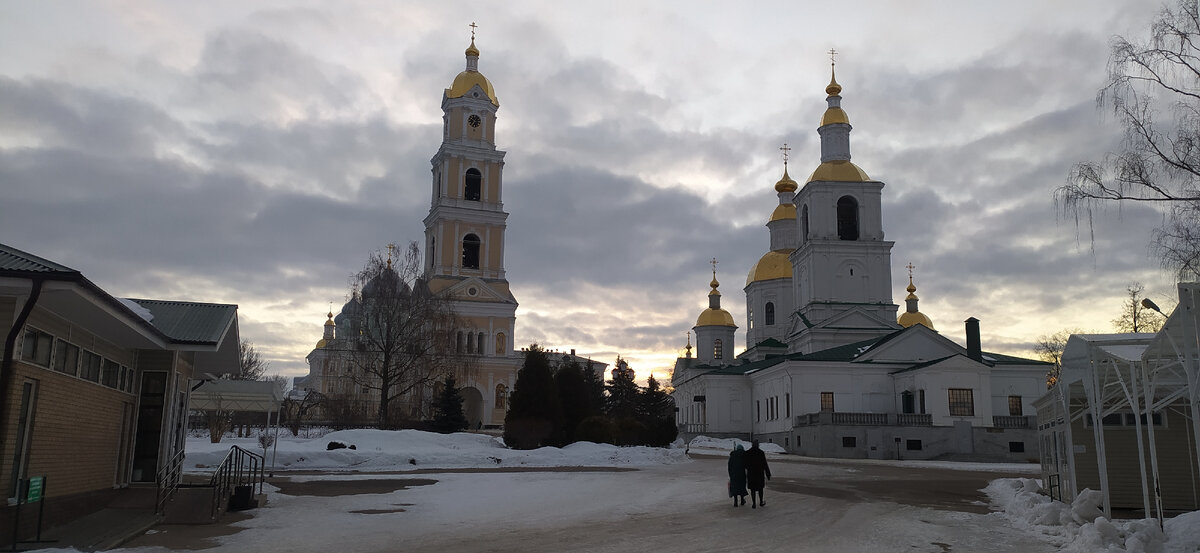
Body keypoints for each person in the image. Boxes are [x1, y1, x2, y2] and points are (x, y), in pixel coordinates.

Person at [744, 439, 771, 508]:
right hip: (759, 474)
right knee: (760, 489)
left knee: (753, 489)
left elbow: (745, 464)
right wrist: (768, 474)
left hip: (751, 474)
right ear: (758, 445)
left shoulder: (748, 453)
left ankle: (754, 503)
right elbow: (765, 464)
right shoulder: (761, 453)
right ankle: (761, 501)